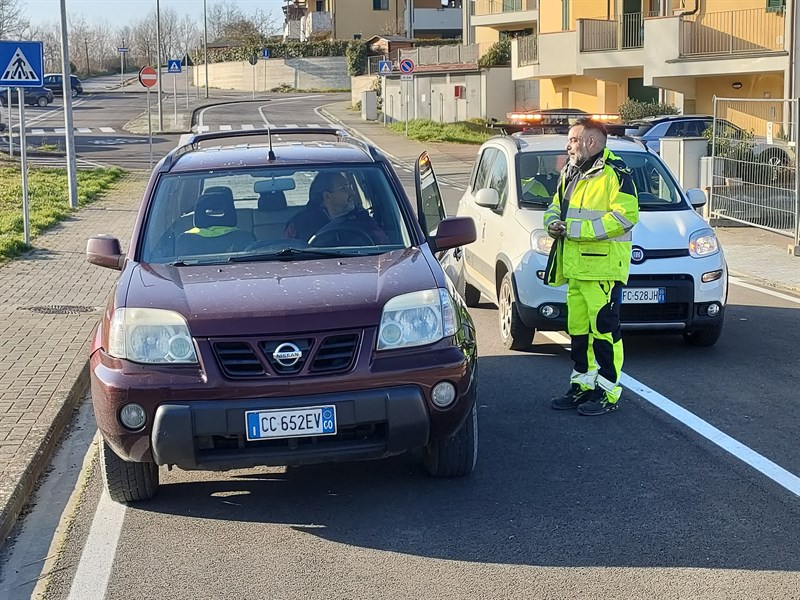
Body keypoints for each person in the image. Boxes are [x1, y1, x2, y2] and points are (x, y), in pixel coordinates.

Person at [543, 118, 639, 416]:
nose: (568, 145)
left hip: (602, 270)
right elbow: (553, 207)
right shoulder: (570, 171)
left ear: (591, 142)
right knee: (579, 332)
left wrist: (572, 228)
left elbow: (626, 217)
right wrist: (552, 224)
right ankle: (583, 386)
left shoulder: (616, 173)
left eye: (572, 139)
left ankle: (607, 392)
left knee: (604, 332)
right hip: (576, 269)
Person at [285, 171, 388, 244]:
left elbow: (384, 246)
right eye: (344, 189)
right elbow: (290, 256)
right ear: (327, 196)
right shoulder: (298, 225)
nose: (352, 193)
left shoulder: (364, 219)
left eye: (350, 187)